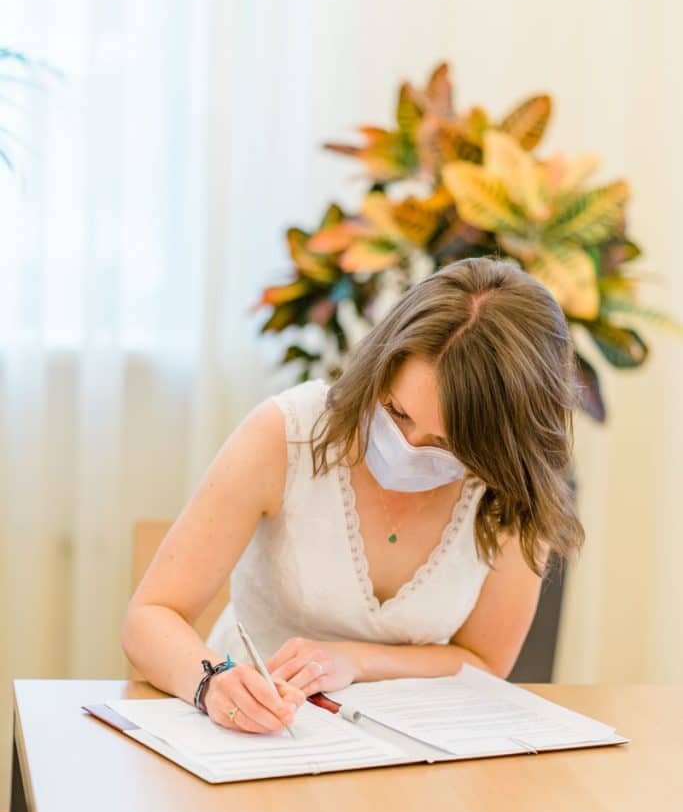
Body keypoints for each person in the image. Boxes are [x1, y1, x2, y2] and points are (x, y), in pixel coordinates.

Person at [122, 256, 584, 735]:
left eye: (446, 445)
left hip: (407, 743)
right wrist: (214, 683)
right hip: (253, 731)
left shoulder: (510, 492)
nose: (408, 448)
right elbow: (150, 618)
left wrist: (353, 661)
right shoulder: (288, 435)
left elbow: (484, 661)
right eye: (396, 413)